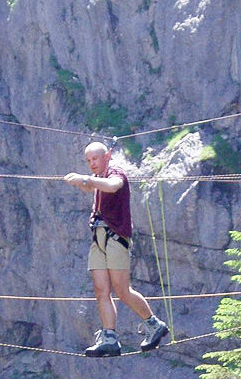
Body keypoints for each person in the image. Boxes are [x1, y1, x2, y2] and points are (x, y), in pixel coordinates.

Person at [64, 141, 169, 357]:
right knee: (101, 290)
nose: (92, 164)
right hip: (99, 238)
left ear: (107, 156)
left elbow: (113, 185)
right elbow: (93, 185)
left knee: (121, 290)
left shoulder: (115, 173)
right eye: (88, 160)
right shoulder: (99, 179)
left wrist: (84, 179)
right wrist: (79, 182)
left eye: (95, 159)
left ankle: (153, 324)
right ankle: (109, 337)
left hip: (116, 238)